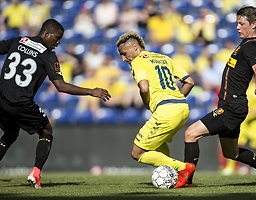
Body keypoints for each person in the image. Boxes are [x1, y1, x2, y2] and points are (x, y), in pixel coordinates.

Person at [183, 6, 256, 187]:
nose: (237, 27)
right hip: (234, 106)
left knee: (190, 134)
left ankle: (186, 181)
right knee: (231, 154)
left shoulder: (250, 46)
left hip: (231, 107)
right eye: (237, 24)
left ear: (254, 24)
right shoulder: (253, 46)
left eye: (242, 24)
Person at [0, 19, 111, 188]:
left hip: (1, 100)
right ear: (46, 33)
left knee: (10, 134)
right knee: (46, 130)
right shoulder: (47, 55)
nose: (58, 42)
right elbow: (60, 86)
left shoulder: (18, 40)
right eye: (57, 38)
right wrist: (91, 91)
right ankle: (36, 172)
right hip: (20, 103)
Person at [116, 31, 195, 188]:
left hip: (166, 111)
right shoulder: (164, 58)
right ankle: (175, 176)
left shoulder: (138, 61)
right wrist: (177, 98)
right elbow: (190, 81)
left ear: (134, 47)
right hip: (183, 108)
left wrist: (146, 102)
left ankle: (183, 169)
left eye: (124, 54)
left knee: (137, 153)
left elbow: (144, 88)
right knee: (156, 144)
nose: (124, 59)